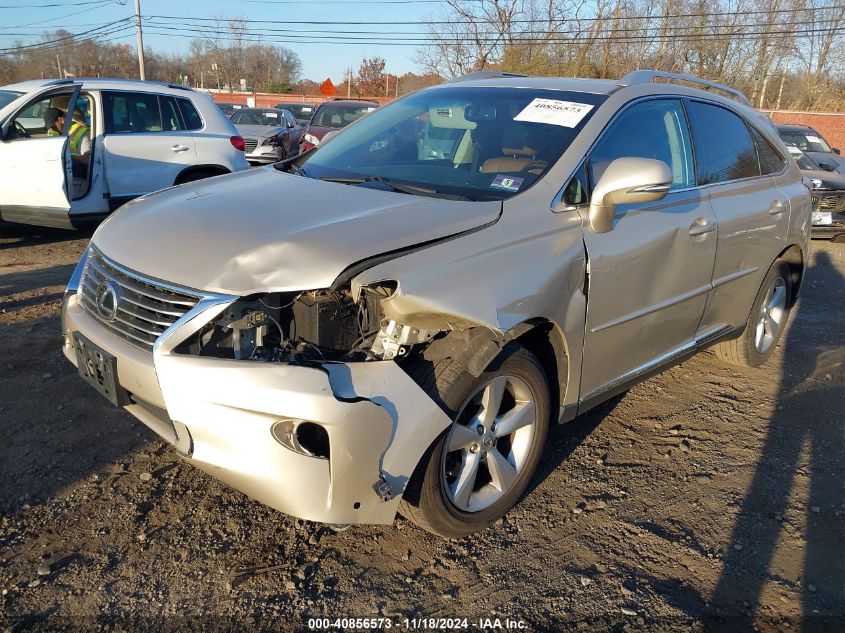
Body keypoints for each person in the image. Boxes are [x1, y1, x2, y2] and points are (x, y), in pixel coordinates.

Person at [43, 106, 90, 177]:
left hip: (75, 173)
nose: (53, 129)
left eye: (53, 126)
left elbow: (87, 159)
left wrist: (64, 157)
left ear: (61, 120)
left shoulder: (81, 132)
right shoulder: (57, 133)